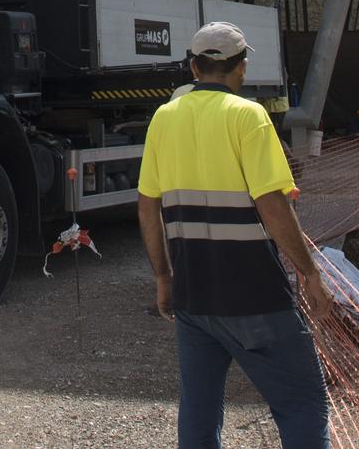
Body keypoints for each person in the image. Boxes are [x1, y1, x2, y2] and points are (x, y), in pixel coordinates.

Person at [137, 22, 332, 449]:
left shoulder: (163, 118)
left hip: (193, 296)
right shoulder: (249, 116)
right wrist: (310, 274)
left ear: (193, 66)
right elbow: (272, 205)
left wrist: (163, 278)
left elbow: (147, 205)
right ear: (241, 67)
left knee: (199, 412)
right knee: (303, 404)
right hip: (255, 296)